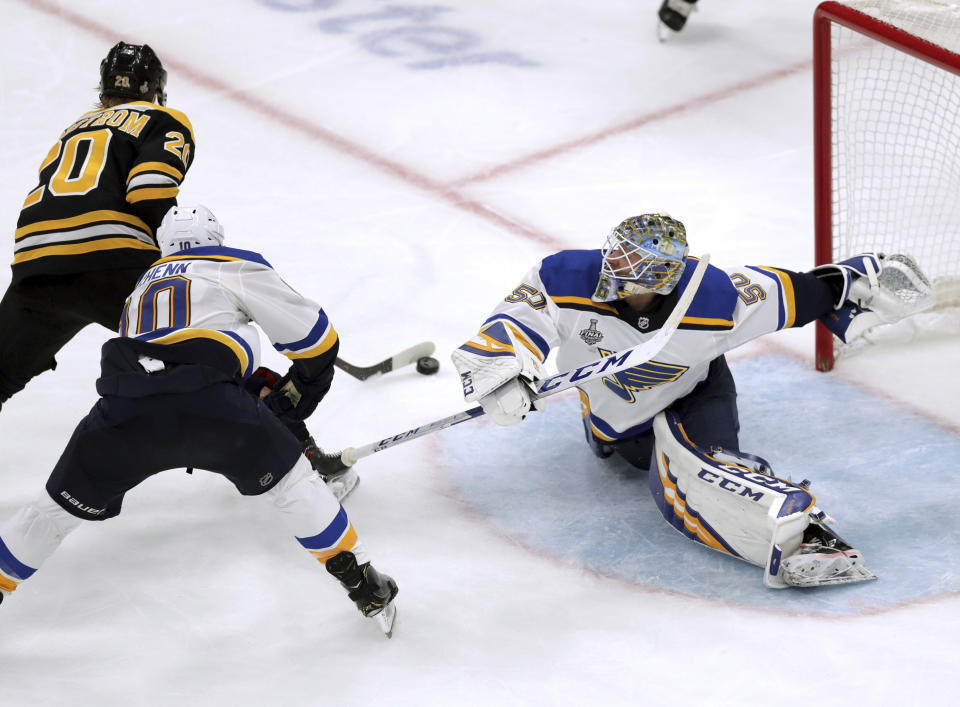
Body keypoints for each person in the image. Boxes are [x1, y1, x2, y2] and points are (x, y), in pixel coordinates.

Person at [451, 213, 932, 587]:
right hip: (619, 420)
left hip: (699, 392)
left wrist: (856, 281)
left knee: (695, 471)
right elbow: (516, 320)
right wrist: (500, 371)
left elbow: (792, 294)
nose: (613, 269)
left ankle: (798, 536)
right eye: (615, 255)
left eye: (630, 266)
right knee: (641, 457)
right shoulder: (564, 277)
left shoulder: (714, 299)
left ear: (661, 275)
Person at [0, 205, 398, 631]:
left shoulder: (139, 288)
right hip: (215, 406)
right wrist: (292, 400)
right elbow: (316, 341)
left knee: (49, 514)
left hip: (123, 411)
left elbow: (169, 353)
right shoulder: (232, 264)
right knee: (294, 484)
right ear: (217, 237)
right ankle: (363, 586)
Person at [0, 42, 196, 411]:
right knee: (209, 353)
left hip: (37, 264)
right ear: (155, 90)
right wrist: (184, 259)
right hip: (114, 261)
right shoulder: (162, 119)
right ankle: (294, 453)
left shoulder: (72, 130)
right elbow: (150, 190)